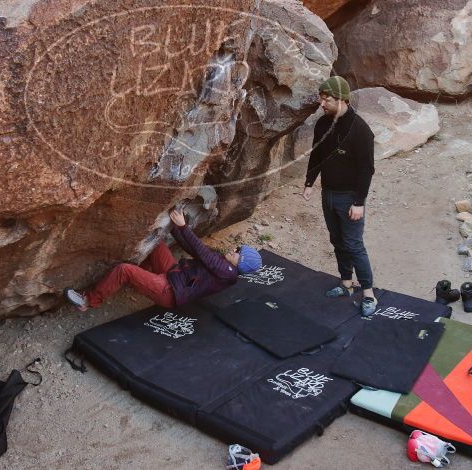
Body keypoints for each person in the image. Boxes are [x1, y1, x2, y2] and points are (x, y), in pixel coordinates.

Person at [64, 209, 262, 311]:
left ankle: (88, 300)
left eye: (238, 252)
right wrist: (175, 229)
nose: (234, 249)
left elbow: (202, 253)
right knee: (156, 244)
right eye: (238, 247)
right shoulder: (224, 266)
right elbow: (192, 249)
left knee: (125, 269)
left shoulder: (227, 273)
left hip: (169, 291)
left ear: (241, 264)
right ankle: (136, 279)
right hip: (175, 275)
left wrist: (184, 227)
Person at [301, 76, 377, 316]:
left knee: (354, 245)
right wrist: (309, 182)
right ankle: (346, 283)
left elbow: (367, 169)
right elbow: (317, 155)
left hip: (350, 197)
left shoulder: (360, 130)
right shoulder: (322, 124)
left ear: (342, 100)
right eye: (321, 98)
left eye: (327, 99)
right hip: (329, 194)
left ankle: (368, 294)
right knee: (337, 240)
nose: (322, 103)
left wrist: (358, 202)